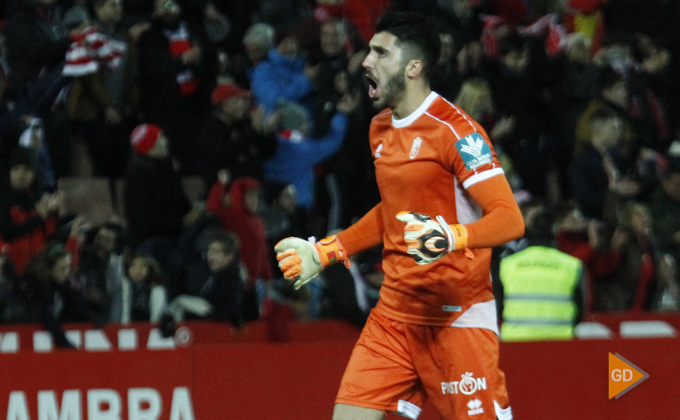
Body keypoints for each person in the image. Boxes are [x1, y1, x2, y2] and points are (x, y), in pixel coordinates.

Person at [275, 11, 523, 420]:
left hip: (455, 317)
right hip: (394, 315)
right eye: (369, 51)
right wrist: (326, 252)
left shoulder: (457, 133)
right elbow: (394, 210)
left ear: (413, 67)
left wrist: (452, 237)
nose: (366, 62)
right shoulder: (380, 129)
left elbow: (510, 219)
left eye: (380, 52)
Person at [497, 203, 586, 341]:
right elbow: (581, 309)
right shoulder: (572, 265)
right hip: (560, 342)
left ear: (528, 230)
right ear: (555, 232)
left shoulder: (507, 264)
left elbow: (498, 306)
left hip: (516, 343)